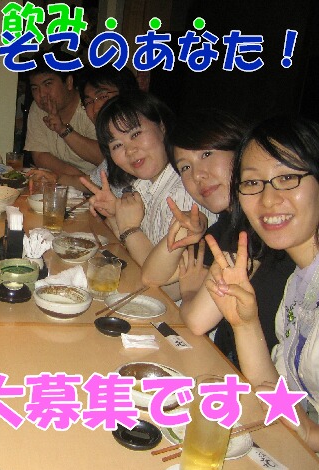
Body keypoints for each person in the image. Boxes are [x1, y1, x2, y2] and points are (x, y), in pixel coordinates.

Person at [140, 109, 295, 363]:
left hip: (253, 373)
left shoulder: (257, 228)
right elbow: (152, 278)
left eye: (206, 154)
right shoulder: (225, 226)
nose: (197, 175)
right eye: (185, 167)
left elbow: (197, 320)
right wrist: (181, 233)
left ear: (242, 151)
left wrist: (191, 292)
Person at [204, 116, 319, 451]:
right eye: (253, 183)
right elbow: (274, 391)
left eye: (287, 178)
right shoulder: (299, 280)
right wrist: (245, 323)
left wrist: (310, 434)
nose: (268, 200)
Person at [79, 92, 217, 279]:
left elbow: (162, 281)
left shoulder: (184, 192)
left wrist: (129, 228)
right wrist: (115, 215)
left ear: (162, 126)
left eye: (135, 134)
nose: (130, 150)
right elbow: (131, 252)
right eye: (117, 145)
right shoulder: (144, 185)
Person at [27, 65, 139, 192]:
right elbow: (94, 182)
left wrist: (63, 130)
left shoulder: (143, 137)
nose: (96, 108)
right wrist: (56, 178)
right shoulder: (114, 150)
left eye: (102, 97)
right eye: (89, 101)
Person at [24, 50, 102, 176]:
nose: (41, 94)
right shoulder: (38, 109)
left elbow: (103, 158)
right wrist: (78, 180)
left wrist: (63, 130)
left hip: (99, 182)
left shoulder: (90, 107)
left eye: (48, 84)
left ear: (69, 82)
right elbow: (40, 155)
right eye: (35, 88)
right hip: (65, 181)